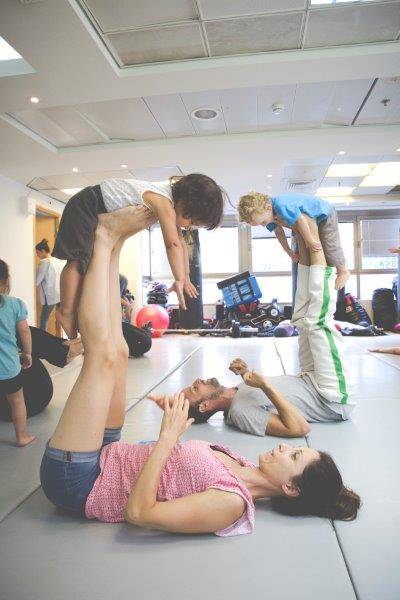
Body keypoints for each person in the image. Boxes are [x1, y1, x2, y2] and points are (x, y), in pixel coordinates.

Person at [40, 214, 360, 534]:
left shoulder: (232, 503)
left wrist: (168, 437)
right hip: (111, 456)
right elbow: (174, 471)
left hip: (82, 482)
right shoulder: (243, 463)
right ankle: (113, 246)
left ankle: (103, 239)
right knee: (119, 351)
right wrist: (168, 432)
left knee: (102, 356)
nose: (285, 448)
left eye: (294, 456)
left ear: (290, 488)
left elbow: (139, 513)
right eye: (293, 449)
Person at [151, 220, 354, 437]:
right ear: (204, 406)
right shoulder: (239, 413)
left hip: (309, 379)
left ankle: (302, 236)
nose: (197, 380)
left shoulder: (237, 391)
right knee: (317, 322)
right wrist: (264, 385)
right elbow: (299, 428)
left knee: (301, 320)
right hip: (330, 398)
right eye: (195, 389)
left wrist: (246, 373)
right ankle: (313, 231)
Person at [52, 174, 224, 338]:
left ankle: (71, 310)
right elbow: (172, 244)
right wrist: (178, 278)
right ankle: (65, 312)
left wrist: (185, 277)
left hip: (94, 209)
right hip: (87, 204)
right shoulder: (163, 201)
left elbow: (181, 243)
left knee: (87, 263)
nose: (189, 227)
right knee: (77, 261)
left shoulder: (170, 204)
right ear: (186, 204)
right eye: (192, 222)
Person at [237, 191, 349, 290]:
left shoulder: (282, 205)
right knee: (303, 250)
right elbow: (279, 232)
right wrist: (288, 251)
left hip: (325, 213)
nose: (263, 225)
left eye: (263, 222)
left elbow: (301, 220)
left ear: (268, 208)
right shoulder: (269, 215)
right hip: (306, 222)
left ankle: (343, 271)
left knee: (329, 244)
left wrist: (310, 241)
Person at [0, 259, 36, 446]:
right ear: (6, 281)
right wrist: (27, 353)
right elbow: (25, 332)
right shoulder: (15, 304)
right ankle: (21, 437)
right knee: (17, 402)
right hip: (8, 367)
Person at [35, 239, 64, 331]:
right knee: (61, 318)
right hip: (60, 295)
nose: (37, 255)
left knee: (44, 320)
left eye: (37, 252)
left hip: (50, 296)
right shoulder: (57, 261)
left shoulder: (44, 262)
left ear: (43, 251)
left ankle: (43, 338)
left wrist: (37, 269)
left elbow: (37, 280)